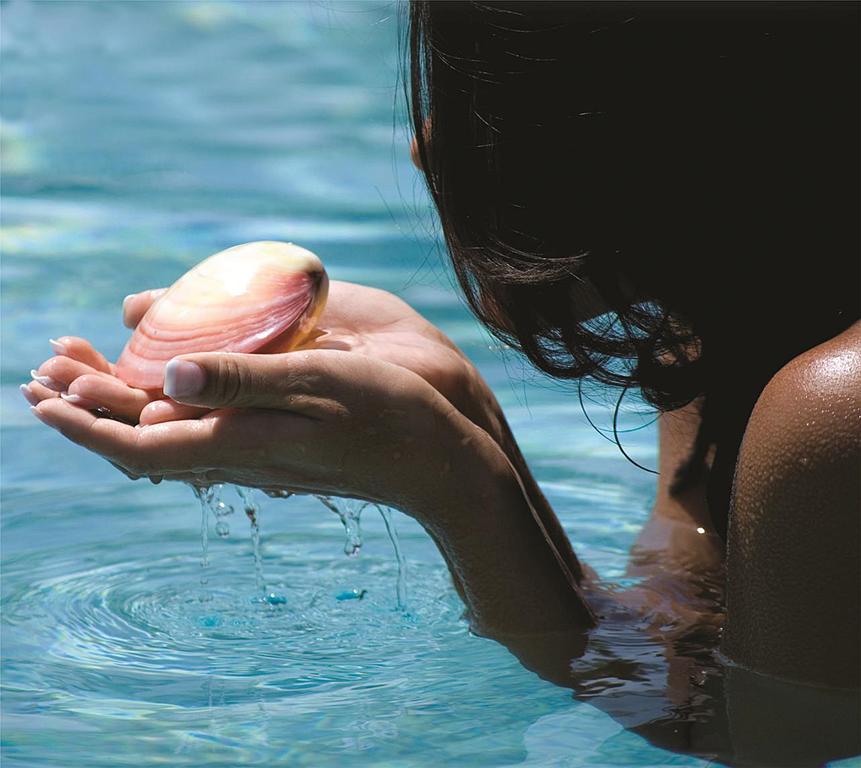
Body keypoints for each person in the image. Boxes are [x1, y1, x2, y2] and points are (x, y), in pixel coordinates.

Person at [23, 1, 859, 763]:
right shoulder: (730, 324)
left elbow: (770, 742)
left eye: (483, 101)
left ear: (630, 133)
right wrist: (461, 410)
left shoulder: (834, 405)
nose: (425, 144)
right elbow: (694, 621)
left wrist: (458, 488)